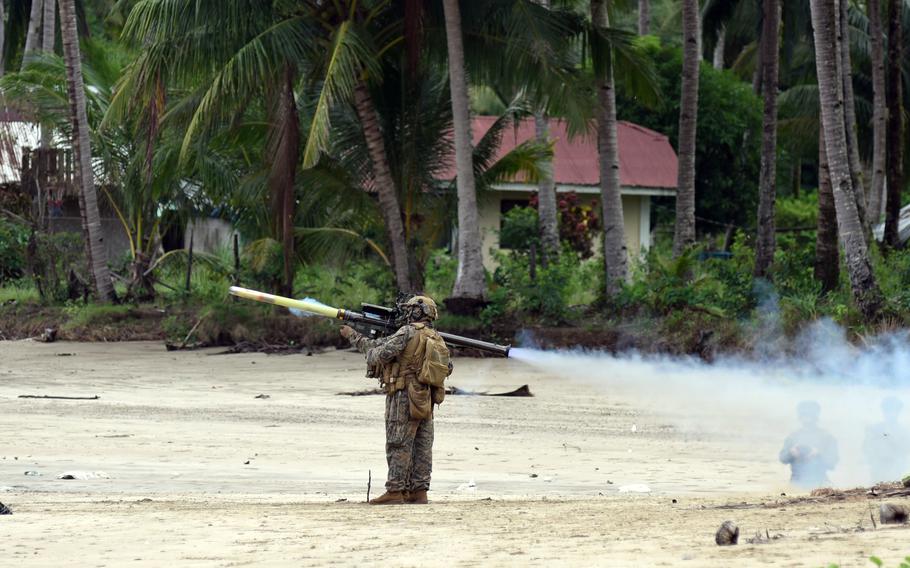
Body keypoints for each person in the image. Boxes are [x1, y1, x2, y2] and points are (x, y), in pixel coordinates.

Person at [340, 295, 451, 505]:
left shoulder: (407, 332)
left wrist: (353, 336)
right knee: (422, 446)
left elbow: (376, 355)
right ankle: (419, 491)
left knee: (398, 443)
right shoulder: (435, 336)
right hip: (425, 397)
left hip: (403, 396)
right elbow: (448, 366)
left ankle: (395, 491)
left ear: (416, 312)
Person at [778, 400, 839, 489]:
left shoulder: (826, 437)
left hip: (819, 481)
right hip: (796, 480)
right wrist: (791, 453)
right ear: (799, 416)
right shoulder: (793, 437)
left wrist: (818, 454)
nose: (806, 417)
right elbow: (782, 459)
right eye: (804, 414)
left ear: (815, 416)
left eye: (809, 414)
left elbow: (832, 463)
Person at [863, 396, 910, 483]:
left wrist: (893, 441)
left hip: (897, 469)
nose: (891, 414)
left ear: (898, 412)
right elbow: (866, 449)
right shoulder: (874, 428)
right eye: (887, 410)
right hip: (878, 469)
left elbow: (906, 450)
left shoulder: (904, 430)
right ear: (883, 411)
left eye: (893, 410)